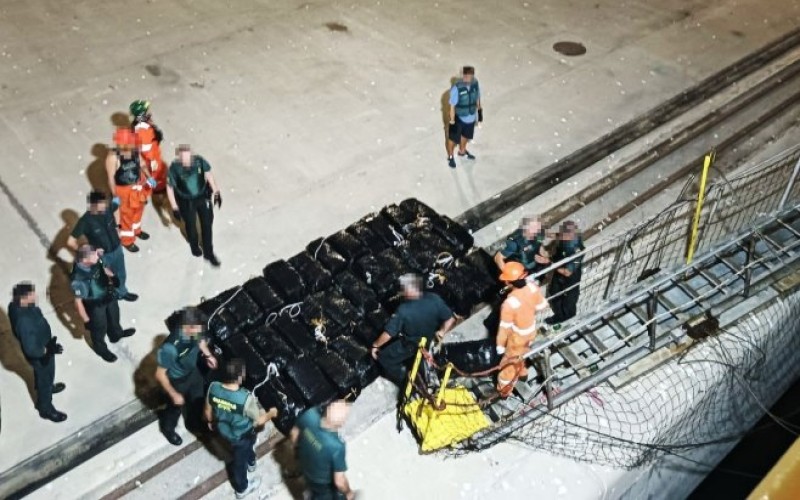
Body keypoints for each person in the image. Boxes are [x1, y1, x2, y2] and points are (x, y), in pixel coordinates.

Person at [204, 358, 278, 498]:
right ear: (239, 378)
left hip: (224, 431)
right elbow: (259, 420)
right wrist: (271, 413)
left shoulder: (213, 388)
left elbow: (207, 412)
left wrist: (210, 421)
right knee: (239, 462)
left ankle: (251, 461)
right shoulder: (245, 399)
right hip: (241, 435)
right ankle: (242, 489)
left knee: (246, 448)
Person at [371, 274, 456, 385]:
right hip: (429, 341)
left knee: (384, 358)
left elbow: (388, 334)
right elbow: (450, 319)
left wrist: (375, 345)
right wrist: (441, 332)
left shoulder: (403, 310)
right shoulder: (434, 298)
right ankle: (422, 372)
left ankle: (408, 381)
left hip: (410, 344)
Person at [156, 306, 218, 446]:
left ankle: (196, 424)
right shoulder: (170, 347)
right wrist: (173, 394)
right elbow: (160, 374)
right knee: (174, 409)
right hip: (177, 381)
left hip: (193, 372)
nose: (200, 332)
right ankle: (167, 428)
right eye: (198, 329)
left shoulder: (195, 331)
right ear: (188, 327)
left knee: (198, 399)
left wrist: (208, 355)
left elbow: (200, 341)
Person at [8, 282, 68, 422]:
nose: (35, 296)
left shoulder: (18, 305)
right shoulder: (23, 320)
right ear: (23, 298)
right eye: (31, 294)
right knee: (44, 376)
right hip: (41, 353)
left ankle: (47, 387)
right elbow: (31, 349)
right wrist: (47, 350)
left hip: (44, 344)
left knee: (46, 375)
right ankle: (45, 408)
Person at [67, 191, 138, 301]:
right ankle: (109, 296)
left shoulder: (108, 209)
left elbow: (117, 203)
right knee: (105, 278)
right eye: (102, 204)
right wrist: (87, 253)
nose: (105, 207)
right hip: (103, 256)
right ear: (94, 205)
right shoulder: (85, 221)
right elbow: (70, 242)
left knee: (121, 273)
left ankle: (122, 292)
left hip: (117, 249)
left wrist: (118, 227)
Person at [71, 244, 135, 363]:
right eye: (94, 255)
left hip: (108, 294)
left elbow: (103, 267)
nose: (97, 255)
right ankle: (101, 349)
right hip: (94, 304)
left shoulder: (95, 260)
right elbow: (78, 302)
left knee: (114, 316)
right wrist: (86, 319)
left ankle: (116, 334)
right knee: (99, 329)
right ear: (85, 260)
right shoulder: (78, 278)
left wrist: (112, 276)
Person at [495, 262, 549, 398]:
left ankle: (503, 390)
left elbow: (504, 328)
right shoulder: (532, 287)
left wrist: (500, 345)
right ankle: (523, 373)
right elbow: (542, 305)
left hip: (517, 338)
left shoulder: (509, 303)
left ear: (508, 282)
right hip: (531, 332)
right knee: (523, 354)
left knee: (508, 365)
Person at [166, 144, 222, 267]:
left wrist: (216, 192)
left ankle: (209, 253)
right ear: (179, 157)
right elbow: (169, 188)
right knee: (191, 226)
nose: (186, 160)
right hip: (186, 202)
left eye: (188, 157)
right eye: (183, 158)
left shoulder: (199, 161)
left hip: (202, 196)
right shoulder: (174, 168)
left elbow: (208, 175)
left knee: (207, 224)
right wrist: (174, 207)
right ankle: (194, 246)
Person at [291, 400, 356, 500]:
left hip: (305, 467)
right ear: (342, 424)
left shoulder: (310, 415)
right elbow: (339, 481)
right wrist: (348, 492)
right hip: (321, 482)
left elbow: (294, 433)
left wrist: (297, 450)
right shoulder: (337, 446)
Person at [106, 127, 156, 252]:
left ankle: (136, 230)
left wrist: (149, 177)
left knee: (138, 210)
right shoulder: (113, 157)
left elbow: (142, 164)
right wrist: (115, 195)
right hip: (124, 190)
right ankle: (127, 240)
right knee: (126, 215)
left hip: (138, 187)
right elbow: (111, 178)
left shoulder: (135, 151)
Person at [545, 221, 585, 330]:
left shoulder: (577, 251)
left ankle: (569, 321)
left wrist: (551, 264)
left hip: (570, 275)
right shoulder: (566, 236)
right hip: (560, 268)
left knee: (569, 301)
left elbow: (567, 272)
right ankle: (559, 316)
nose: (561, 236)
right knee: (554, 292)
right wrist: (543, 234)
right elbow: (558, 235)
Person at [446, 66, 482, 168]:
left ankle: (462, 151)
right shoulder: (457, 88)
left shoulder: (475, 85)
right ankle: (450, 156)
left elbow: (477, 98)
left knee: (466, 136)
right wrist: (452, 120)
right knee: (453, 139)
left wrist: (479, 113)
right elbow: (452, 106)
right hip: (459, 118)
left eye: (469, 76)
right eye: (465, 75)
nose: (467, 78)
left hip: (471, 117)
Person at [130, 99, 168, 192]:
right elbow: (147, 152)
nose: (149, 112)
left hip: (153, 153)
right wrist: (153, 162)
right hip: (152, 158)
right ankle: (159, 189)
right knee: (158, 174)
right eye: (146, 110)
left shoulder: (142, 123)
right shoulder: (143, 131)